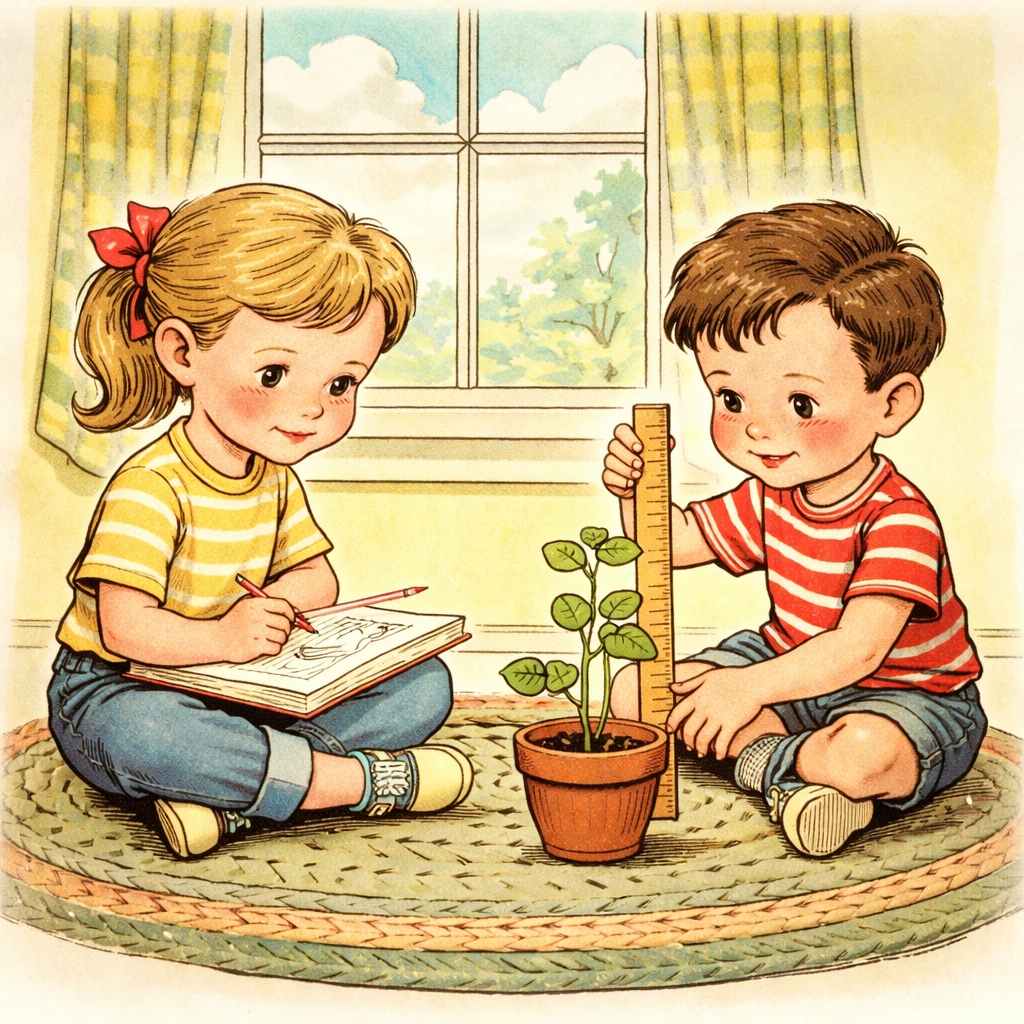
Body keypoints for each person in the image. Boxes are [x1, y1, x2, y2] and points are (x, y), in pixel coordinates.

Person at [48, 185, 473, 859]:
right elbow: (123, 628)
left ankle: (235, 799)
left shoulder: (274, 478)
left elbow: (316, 576)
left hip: (246, 683)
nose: (313, 408)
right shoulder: (151, 487)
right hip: (122, 684)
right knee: (146, 736)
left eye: (341, 384)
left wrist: (277, 610)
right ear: (182, 353)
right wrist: (224, 634)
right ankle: (353, 783)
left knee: (423, 685)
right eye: (274, 373)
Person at [603, 201, 985, 857]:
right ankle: (791, 778)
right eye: (731, 398)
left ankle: (774, 764)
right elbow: (674, 544)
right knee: (636, 689)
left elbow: (857, 652)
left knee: (860, 755)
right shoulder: (768, 496)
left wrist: (746, 690)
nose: (757, 427)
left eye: (801, 402)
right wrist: (637, 492)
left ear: (891, 404)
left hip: (905, 694)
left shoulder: (899, 518)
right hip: (785, 664)